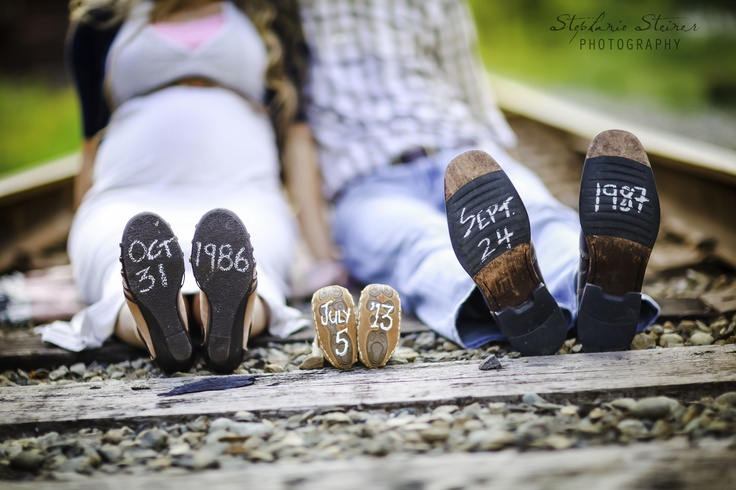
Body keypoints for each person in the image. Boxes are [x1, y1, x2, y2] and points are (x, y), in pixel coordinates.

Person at [298, 0, 661, 356]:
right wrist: (320, 255)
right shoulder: (290, 10)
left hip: (462, 159)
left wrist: (501, 164)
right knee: (428, 239)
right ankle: (558, 293)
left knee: (519, 218)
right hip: (372, 181)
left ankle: (569, 293)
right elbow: (293, 132)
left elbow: (468, 85)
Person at [41, 0, 341, 374]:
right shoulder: (101, 22)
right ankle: (202, 321)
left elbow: (297, 138)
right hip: (127, 193)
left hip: (243, 193)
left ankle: (182, 323)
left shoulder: (270, 13)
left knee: (249, 252)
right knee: (116, 254)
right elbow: (91, 143)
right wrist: (81, 229)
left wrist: (322, 254)